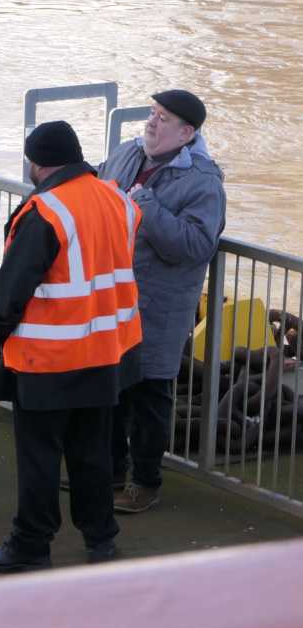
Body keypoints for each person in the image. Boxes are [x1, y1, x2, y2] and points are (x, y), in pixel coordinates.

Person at [0, 120, 142, 572]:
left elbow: (11, 290)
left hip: (48, 359)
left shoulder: (45, 211)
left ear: (36, 163)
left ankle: (31, 545)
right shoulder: (118, 200)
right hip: (105, 352)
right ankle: (101, 538)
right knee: (93, 452)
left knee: (40, 458)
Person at [97, 90, 225, 514]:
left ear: (187, 133)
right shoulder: (126, 154)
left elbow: (196, 245)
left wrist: (146, 206)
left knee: (151, 394)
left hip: (158, 306)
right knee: (110, 388)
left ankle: (145, 483)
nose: (151, 123)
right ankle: (109, 473)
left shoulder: (203, 180)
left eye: (163, 118)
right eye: (152, 114)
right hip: (111, 296)